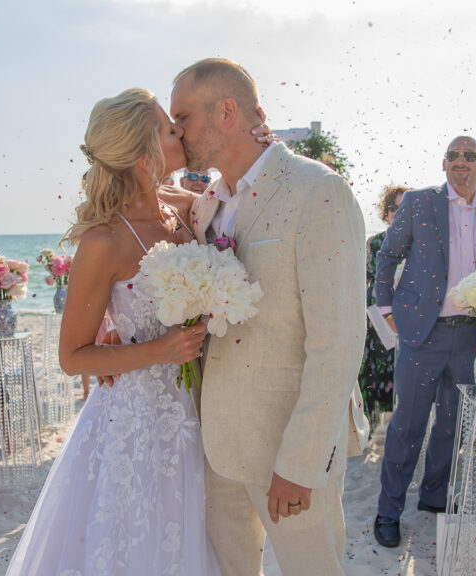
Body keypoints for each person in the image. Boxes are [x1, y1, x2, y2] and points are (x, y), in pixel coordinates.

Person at [6, 88, 217, 575]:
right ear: (144, 158)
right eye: (169, 129)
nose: (180, 131)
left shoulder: (186, 209)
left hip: (200, 407)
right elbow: (73, 357)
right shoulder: (106, 240)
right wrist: (158, 350)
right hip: (139, 420)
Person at [178, 58, 368, 576]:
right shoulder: (207, 208)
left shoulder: (316, 191)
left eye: (183, 117)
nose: (177, 132)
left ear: (226, 111)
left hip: (288, 448)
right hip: (219, 446)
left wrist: (302, 463)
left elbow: (340, 340)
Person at [372, 136, 476, 548]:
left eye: (470, 156)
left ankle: (434, 497)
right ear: (444, 163)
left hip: (471, 334)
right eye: (454, 155)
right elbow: (388, 256)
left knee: (453, 425)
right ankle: (388, 509)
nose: (461, 162)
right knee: (408, 424)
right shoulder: (419, 202)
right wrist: (385, 309)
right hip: (422, 332)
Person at [359, 185, 409, 426]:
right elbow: (366, 278)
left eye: (404, 208)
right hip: (377, 316)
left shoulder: (421, 243)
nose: (397, 213)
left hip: (407, 318)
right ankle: (369, 424)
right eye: (392, 208)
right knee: (372, 371)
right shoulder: (375, 242)